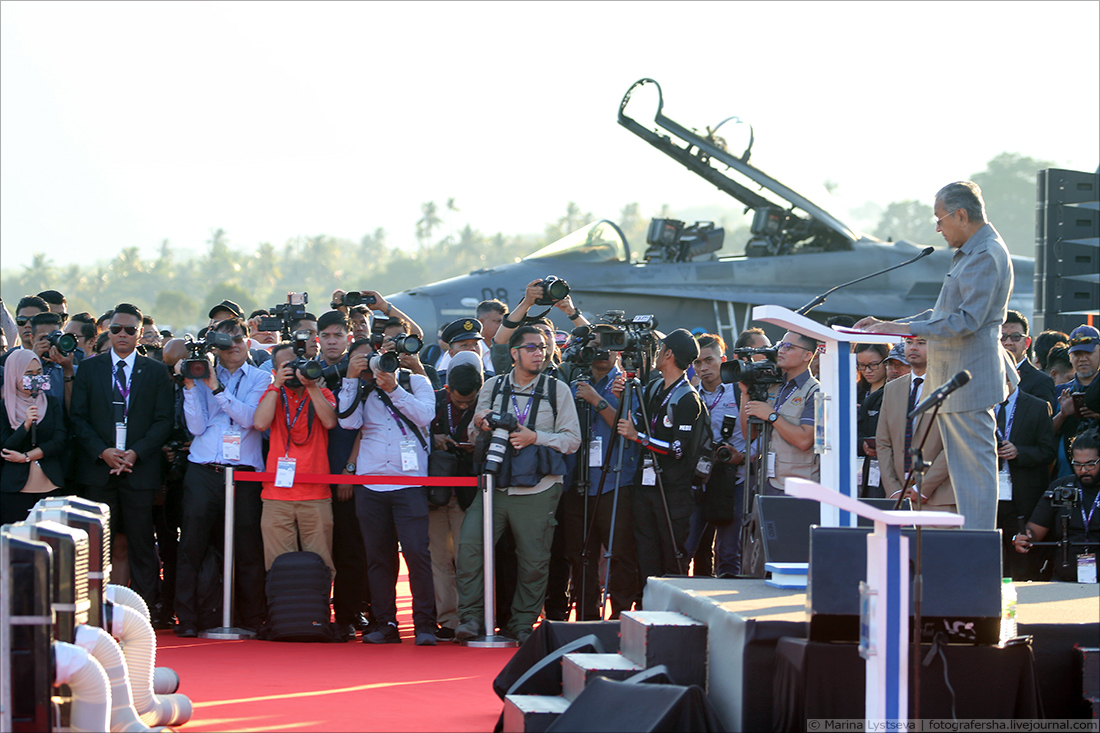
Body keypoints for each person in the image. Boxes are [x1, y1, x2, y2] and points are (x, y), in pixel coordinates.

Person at [856, 181, 1014, 530]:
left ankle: (977, 552)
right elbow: (944, 312)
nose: (937, 228)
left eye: (940, 219)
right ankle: (970, 551)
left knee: (975, 476)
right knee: (965, 476)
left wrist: (900, 331)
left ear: (961, 214)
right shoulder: (973, 252)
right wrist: (891, 325)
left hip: (969, 377)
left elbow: (967, 321)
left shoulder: (986, 253)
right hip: (957, 377)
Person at [456, 326, 581, 643]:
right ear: (514, 353)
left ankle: (523, 623)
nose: (539, 352)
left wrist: (535, 437)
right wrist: (481, 422)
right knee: (469, 548)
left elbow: (573, 440)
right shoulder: (494, 386)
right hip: (494, 486)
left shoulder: (557, 390)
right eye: (531, 347)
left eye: (542, 347)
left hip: (538, 489)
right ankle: (470, 618)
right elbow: (473, 433)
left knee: (534, 560)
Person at [69, 303, 175, 607]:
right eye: (116, 329)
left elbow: (164, 420)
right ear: (107, 331)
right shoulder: (90, 368)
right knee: (96, 547)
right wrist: (102, 452)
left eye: (130, 329)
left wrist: (136, 453)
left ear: (140, 334)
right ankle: (92, 610)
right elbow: (78, 418)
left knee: (142, 545)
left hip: (139, 470)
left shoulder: (155, 371)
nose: (122, 334)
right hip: (98, 470)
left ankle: (145, 609)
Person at [338, 329, 439, 646]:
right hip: (371, 485)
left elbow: (425, 415)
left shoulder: (415, 381)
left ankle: (425, 625)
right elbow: (348, 422)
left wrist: (394, 388)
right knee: (378, 559)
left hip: (408, 484)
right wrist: (352, 379)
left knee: (417, 555)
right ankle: (385, 624)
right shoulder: (361, 388)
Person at [176, 316, 272, 637]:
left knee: (248, 548)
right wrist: (192, 387)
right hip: (204, 470)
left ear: (248, 342)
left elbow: (249, 419)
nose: (233, 347)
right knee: (192, 545)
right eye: (224, 343)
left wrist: (216, 388)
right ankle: (188, 619)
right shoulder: (201, 373)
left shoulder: (261, 377)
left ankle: (252, 618)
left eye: (238, 340)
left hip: (244, 474)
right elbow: (196, 427)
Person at [617, 329, 704, 588]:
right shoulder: (655, 385)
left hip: (673, 491)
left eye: (660, 348)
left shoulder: (688, 398)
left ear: (668, 354)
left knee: (672, 557)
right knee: (645, 553)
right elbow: (642, 423)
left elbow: (678, 449)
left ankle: (672, 616)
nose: (655, 354)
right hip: (645, 487)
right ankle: (646, 608)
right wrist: (621, 399)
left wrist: (639, 439)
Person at [564, 342, 641, 619]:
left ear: (618, 351)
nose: (601, 353)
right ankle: (587, 615)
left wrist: (597, 400)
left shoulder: (627, 384)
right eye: (594, 347)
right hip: (578, 480)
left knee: (620, 553)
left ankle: (620, 614)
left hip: (614, 481)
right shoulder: (574, 383)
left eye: (608, 347)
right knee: (580, 554)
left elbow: (626, 429)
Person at [316, 311, 372, 639]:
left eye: (338, 336)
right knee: (320, 549)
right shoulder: (309, 373)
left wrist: (349, 469)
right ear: (318, 339)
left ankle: (349, 613)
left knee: (352, 547)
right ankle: (314, 611)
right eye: (327, 336)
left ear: (348, 338)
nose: (332, 341)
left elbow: (366, 426)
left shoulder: (360, 373)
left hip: (351, 473)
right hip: (312, 474)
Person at [427, 353, 483, 639]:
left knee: (467, 558)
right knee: (438, 558)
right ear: (447, 389)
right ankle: (447, 620)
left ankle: (470, 616)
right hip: (435, 491)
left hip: (467, 492)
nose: (464, 405)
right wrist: (431, 439)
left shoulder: (485, 404)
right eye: (459, 401)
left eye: (469, 401)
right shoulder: (433, 399)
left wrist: (479, 445)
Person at [685, 333, 746, 578]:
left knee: (729, 552)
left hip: (733, 480)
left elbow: (760, 433)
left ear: (723, 359)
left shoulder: (741, 391)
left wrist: (742, 456)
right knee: (685, 547)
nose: (703, 368)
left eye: (709, 360)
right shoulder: (689, 394)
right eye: (697, 363)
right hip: (697, 480)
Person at [740, 331, 821, 495]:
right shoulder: (772, 386)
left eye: (789, 347)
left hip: (799, 487)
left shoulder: (815, 391)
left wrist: (772, 416)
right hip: (767, 481)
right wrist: (745, 394)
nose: (781, 351)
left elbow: (805, 440)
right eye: (780, 345)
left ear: (807, 355)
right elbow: (749, 433)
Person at [1013, 430, 1100, 582]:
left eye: (1090, 464)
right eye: (1077, 464)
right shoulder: (1060, 488)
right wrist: (1025, 537)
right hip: (1064, 575)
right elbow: (1034, 530)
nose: (1084, 470)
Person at [995, 378, 1056, 580]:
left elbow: (1048, 451)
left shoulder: (1037, 407)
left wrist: (1019, 452)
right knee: (991, 561)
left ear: (1016, 375)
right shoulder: (981, 405)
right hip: (989, 496)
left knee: (1021, 561)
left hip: (1022, 498)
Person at [1, 351, 68, 524]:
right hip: (15, 488)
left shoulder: (51, 402)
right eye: (28, 374)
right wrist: (25, 426)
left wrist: (26, 457)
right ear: (15, 374)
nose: (34, 378)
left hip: (49, 483)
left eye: (38, 373)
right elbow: (6, 446)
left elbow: (59, 440)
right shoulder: (4, 407)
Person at [1052, 325, 1100, 479]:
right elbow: (1041, 435)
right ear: (1070, 357)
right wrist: (1062, 415)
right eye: (1077, 353)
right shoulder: (1058, 392)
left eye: (1089, 352)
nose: (1083, 358)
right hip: (1065, 476)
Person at [1002, 310, 1057, 413]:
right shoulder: (984, 377)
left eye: (1015, 337)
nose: (1008, 343)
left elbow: (1042, 422)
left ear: (1027, 343)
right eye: (1002, 337)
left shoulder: (1041, 381)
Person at [855, 343, 890, 498]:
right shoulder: (853, 390)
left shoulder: (894, 391)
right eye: (862, 365)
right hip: (857, 468)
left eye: (873, 365)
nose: (867, 371)